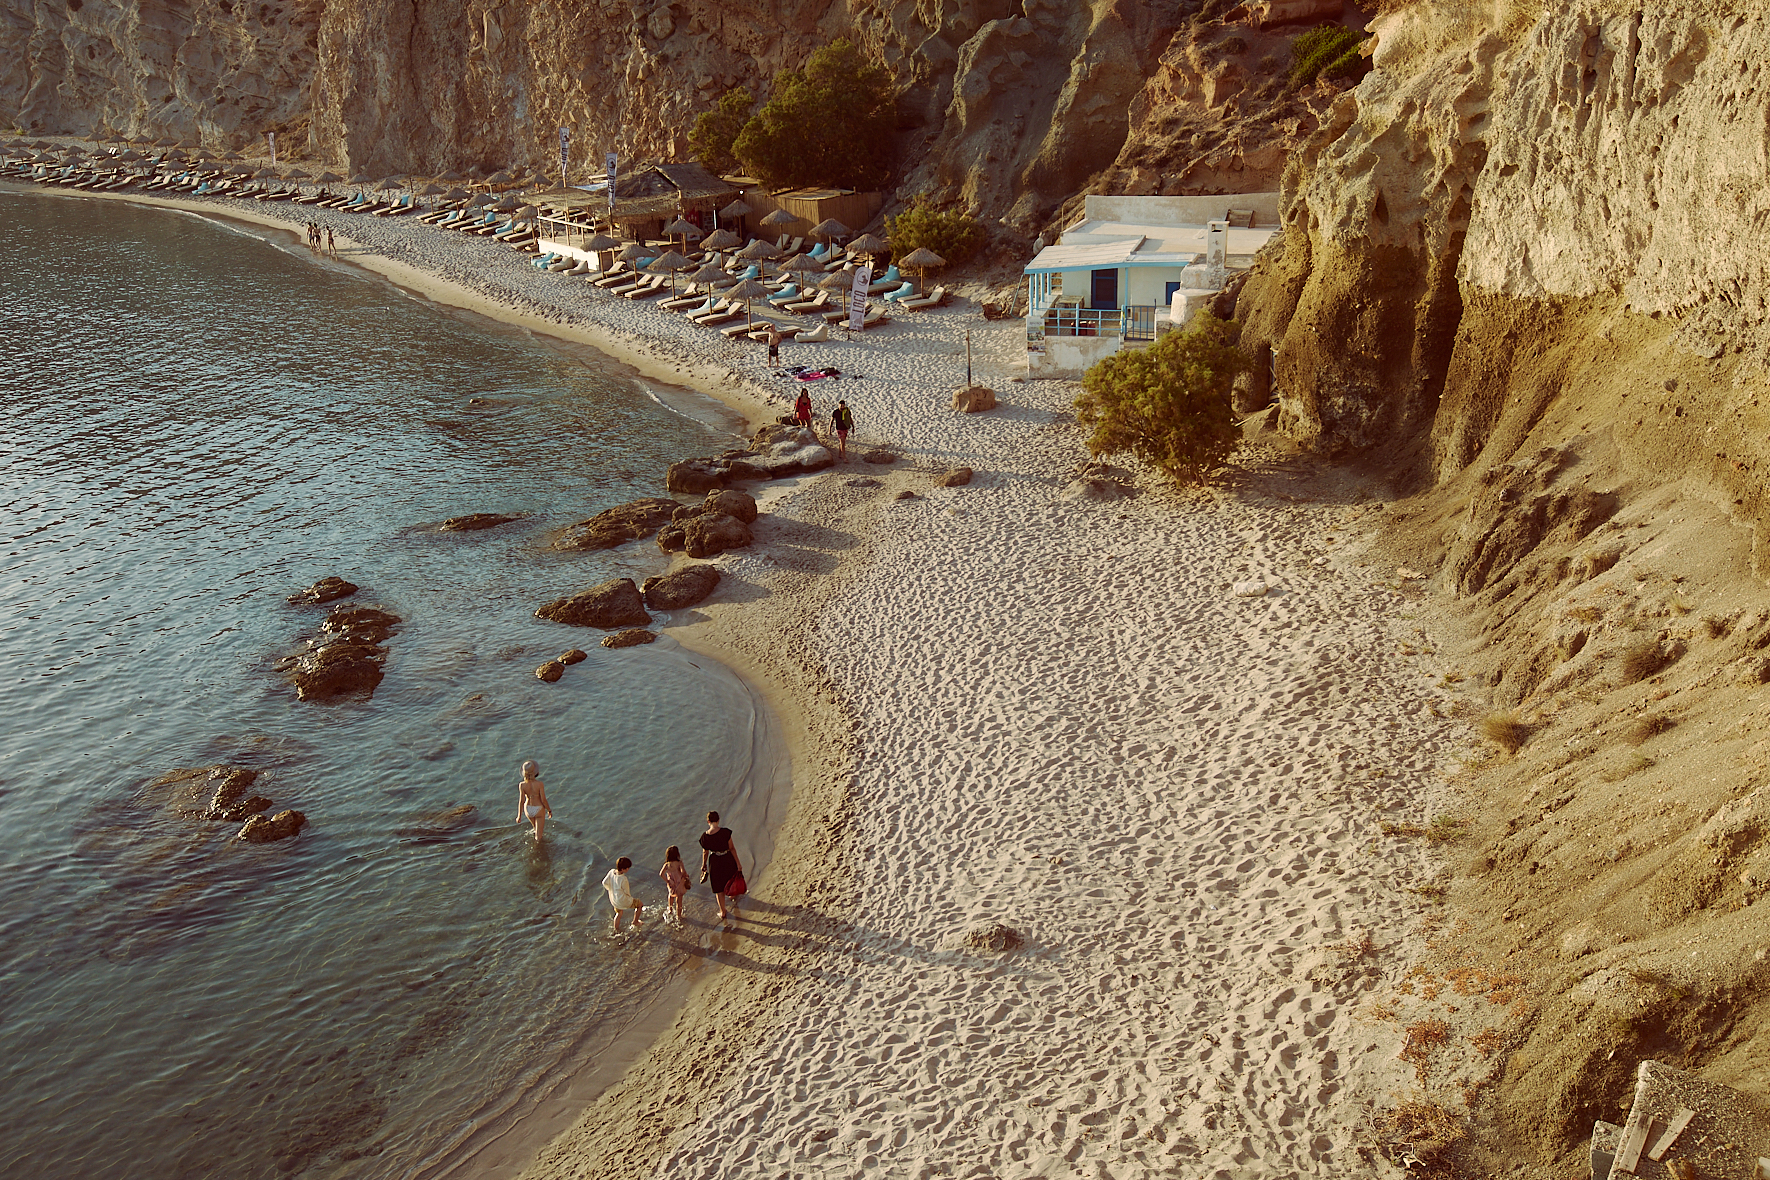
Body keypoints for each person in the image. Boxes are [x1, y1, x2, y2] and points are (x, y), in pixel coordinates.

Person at [698, 810, 744, 921]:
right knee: (730, 879)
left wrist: (703, 865)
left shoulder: (705, 837)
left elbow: (705, 852)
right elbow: (732, 848)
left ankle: (723, 911)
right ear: (718, 820)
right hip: (727, 858)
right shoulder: (725, 832)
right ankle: (732, 895)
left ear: (708, 821)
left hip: (715, 861)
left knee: (718, 888)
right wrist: (738, 863)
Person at [603, 856, 643, 932]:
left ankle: (616, 929)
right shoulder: (623, 879)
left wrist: (610, 889)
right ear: (623, 869)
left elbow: (604, 882)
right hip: (622, 900)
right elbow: (627, 892)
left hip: (614, 900)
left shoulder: (611, 872)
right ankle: (635, 922)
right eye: (627, 868)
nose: (628, 869)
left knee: (619, 913)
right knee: (639, 904)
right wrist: (630, 900)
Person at [516, 759, 551, 841]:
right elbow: (543, 800)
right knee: (539, 837)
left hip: (528, 809)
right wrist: (549, 810)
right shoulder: (539, 784)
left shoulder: (522, 785)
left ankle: (536, 841)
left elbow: (521, 801)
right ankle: (538, 850)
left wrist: (519, 816)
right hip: (538, 809)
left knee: (536, 829)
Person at [659, 845, 690, 927]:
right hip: (679, 884)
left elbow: (661, 874)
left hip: (671, 884)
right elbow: (683, 872)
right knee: (679, 899)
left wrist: (668, 881)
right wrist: (686, 875)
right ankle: (678, 916)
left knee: (671, 895)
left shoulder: (667, 864)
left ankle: (670, 909)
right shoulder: (679, 863)